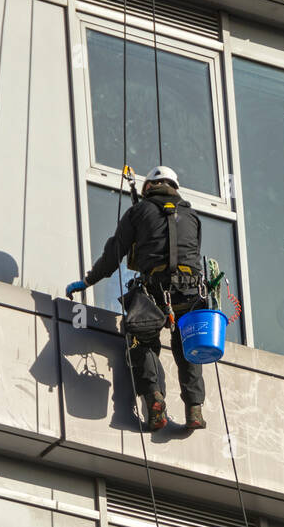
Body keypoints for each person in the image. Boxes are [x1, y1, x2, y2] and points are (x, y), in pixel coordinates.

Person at [66, 165, 207, 432]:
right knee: (189, 347)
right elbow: (191, 253)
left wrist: (88, 281)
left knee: (141, 339)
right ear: (175, 187)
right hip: (189, 291)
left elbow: (113, 254)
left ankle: (154, 397)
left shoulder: (138, 212)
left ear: (147, 188)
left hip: (154, 289)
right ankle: (194, 408)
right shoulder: (192, 215)